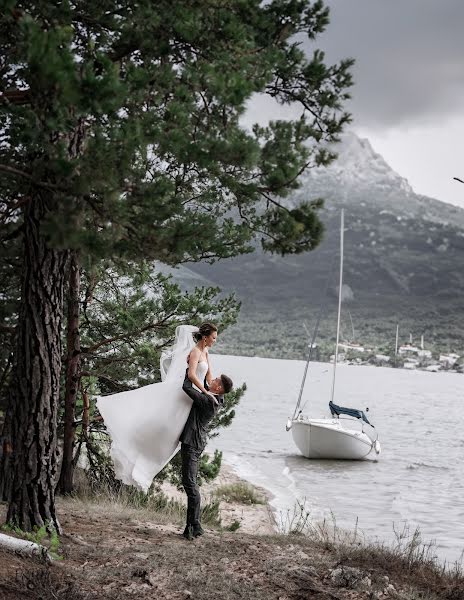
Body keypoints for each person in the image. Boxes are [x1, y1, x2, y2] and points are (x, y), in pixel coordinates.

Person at [96, 323, 227, 492]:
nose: (215, 341)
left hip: (193, 397)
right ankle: (135, 445)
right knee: (162, 425)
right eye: (214, 337)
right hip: (185, 394)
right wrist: (204, 392)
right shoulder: (195, 351)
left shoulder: (206, 351)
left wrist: (214, 390)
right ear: (205, 337)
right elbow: (191, 375)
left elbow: (208, 376)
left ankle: (145, 467)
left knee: (171, 439)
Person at [180, 360, 233, 539]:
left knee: (190, 484)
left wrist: (191, 368)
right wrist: (205, 359)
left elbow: (187, 386)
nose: (213, 379)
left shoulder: (207, 400)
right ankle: (190, 527)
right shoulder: (218, 397)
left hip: (192, 442)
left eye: (216, 380)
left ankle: (195, 525)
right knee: (190, 482)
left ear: (218, 388)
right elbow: (206, 381)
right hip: (197, 441)